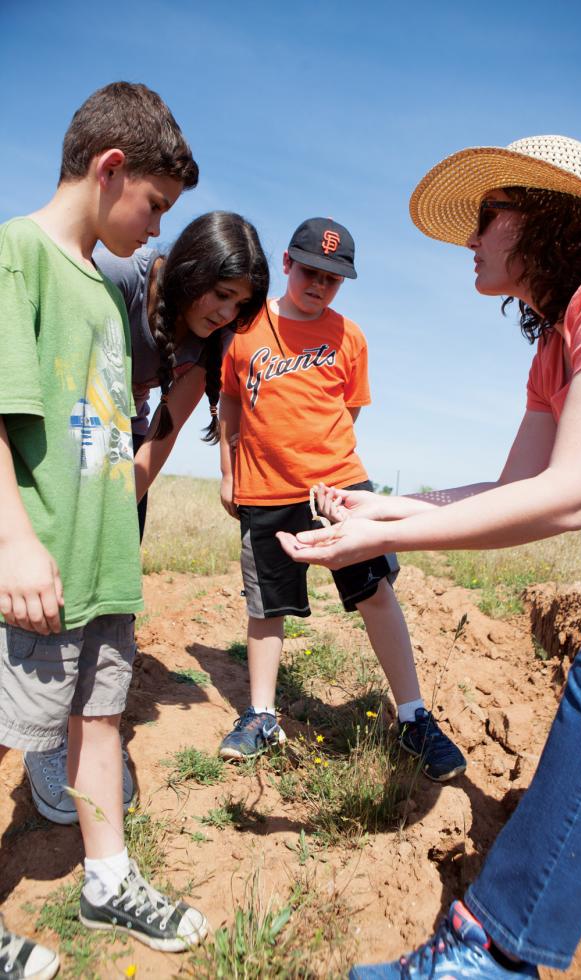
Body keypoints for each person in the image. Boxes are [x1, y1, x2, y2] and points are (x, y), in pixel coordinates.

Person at [277, 136, 581, 978]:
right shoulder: (557, 345)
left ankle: (492, 952)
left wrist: (384, 536)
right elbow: (515, 489)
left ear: (548, 219)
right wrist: (385, 504)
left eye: (488, 217)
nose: (470, 239)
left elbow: (574, 497)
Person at [0, 81, 209, 977]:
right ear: (110, 168)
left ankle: (108, 879)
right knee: (13, 729)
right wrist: (13, 540)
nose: (158, 227)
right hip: (37, 562)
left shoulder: (103, 282)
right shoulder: (19, 255)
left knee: (100, 718)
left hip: (104, 563)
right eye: (155, 206)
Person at [22, 210, 269, 828]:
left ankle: (80, 731)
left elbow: (161, 434)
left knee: (101, 587)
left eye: (240, 304)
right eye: (221, 294)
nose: (226, 313)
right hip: (59, 426)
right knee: (44, 589)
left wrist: (110, 518)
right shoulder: (118, 275)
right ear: (190, 270)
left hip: (117, 439)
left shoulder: (209, 340)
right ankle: (40, 736)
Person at [217, 216, 466, 781]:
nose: (320, 285)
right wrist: (228, 469)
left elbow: (347, 410)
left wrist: (330, 472)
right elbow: (231, 404)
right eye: (310, 271)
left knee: (374, 592)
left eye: (333, 278)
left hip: (340, 490)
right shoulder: (247, 328)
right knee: (266, 609)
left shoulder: (349, 336)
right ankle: (261, 716)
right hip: (264, 490)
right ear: (286, 262)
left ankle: (412, 716)